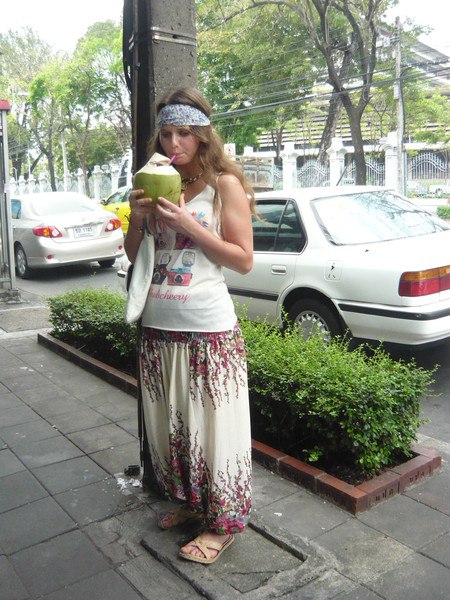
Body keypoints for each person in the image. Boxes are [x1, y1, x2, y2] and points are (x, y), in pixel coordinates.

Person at [124, 87, 255, 565]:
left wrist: (190, 225)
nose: (173, 143)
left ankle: (223, 524)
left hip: (208, 331)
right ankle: (192, 502)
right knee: (174, 428)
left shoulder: (224, 186)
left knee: (214, 432)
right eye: (166, 133)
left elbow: (243, 260)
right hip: (158, 327)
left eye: (183, 133)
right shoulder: (156, 181)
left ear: (202, 136)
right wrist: (138, 219)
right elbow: (134, 256)